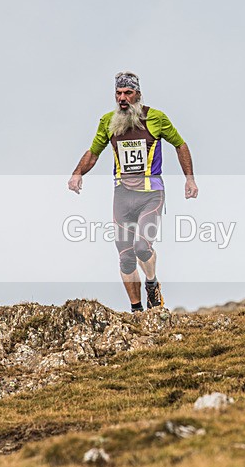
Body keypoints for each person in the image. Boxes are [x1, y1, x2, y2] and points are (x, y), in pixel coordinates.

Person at [68, 71, 198, 312]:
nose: (123, 98)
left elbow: (180, 144)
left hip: (151, 195)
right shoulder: (108, 121)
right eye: (118, 93)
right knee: (126, 257)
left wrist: (189, 180)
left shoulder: (156, 118)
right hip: (123, 196)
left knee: (142, 247)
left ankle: (151, 284)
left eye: (128, 93)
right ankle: (137, 310)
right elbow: (93, 152)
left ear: (138, 94)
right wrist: (77, 174)